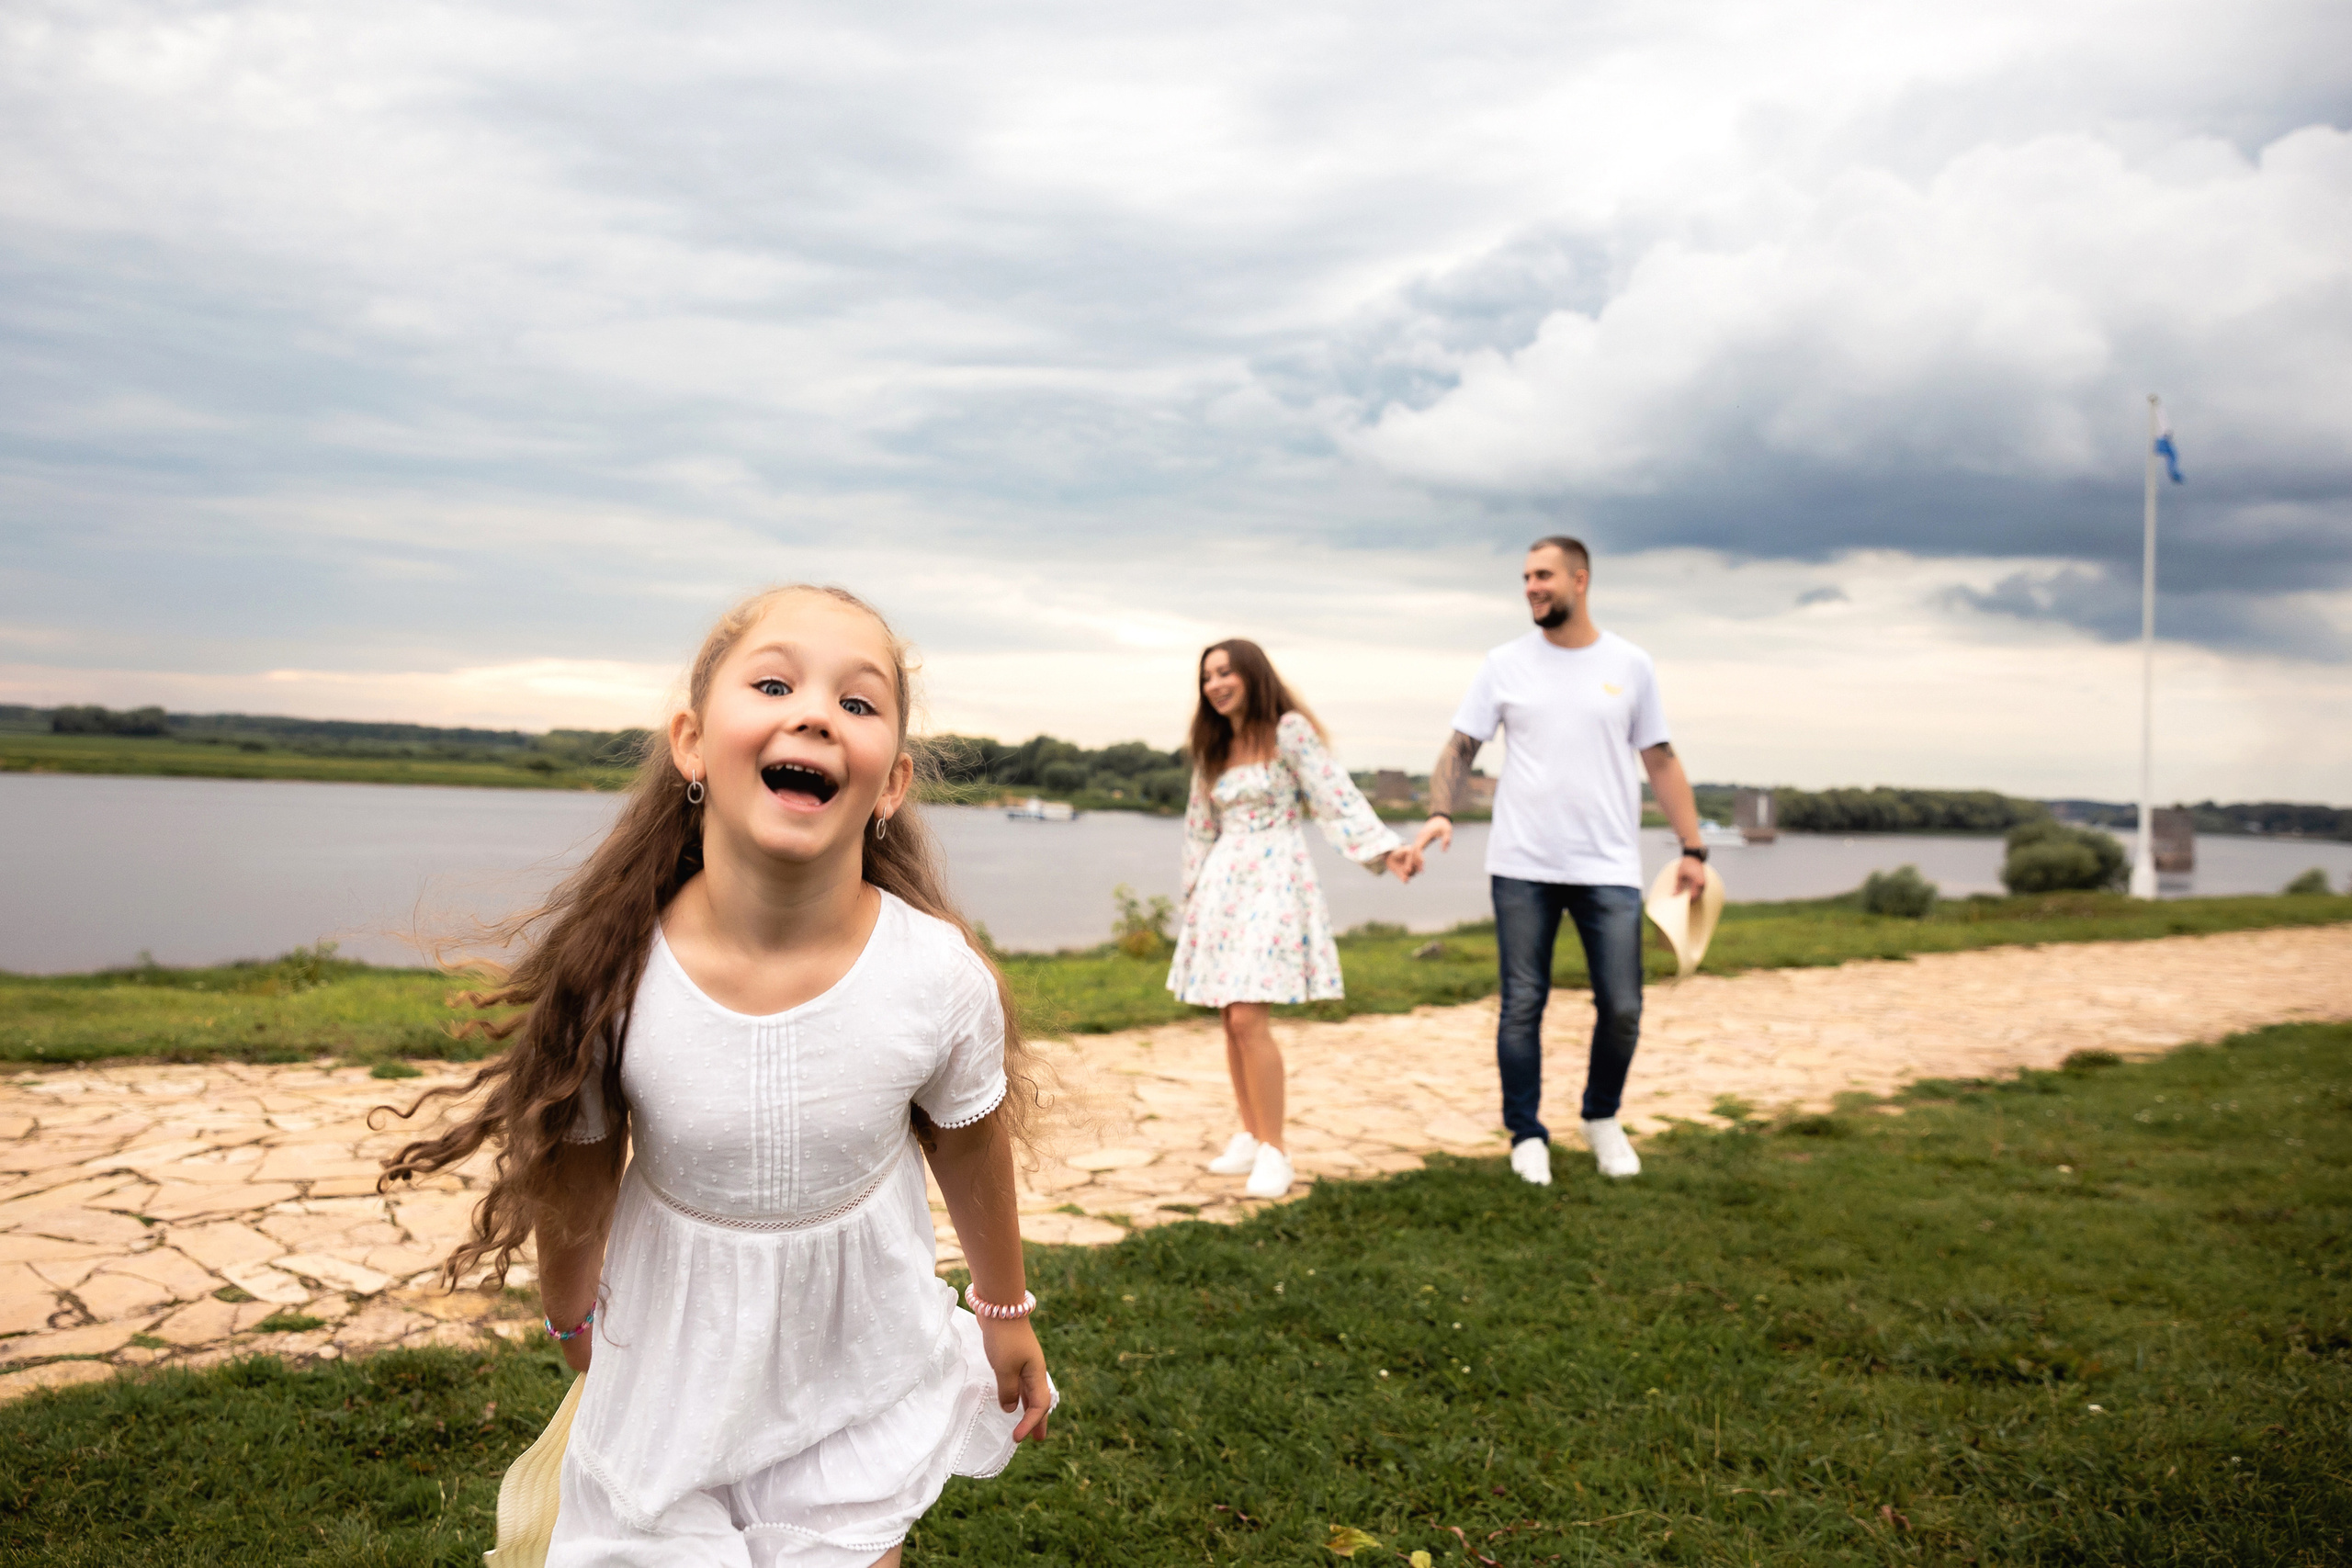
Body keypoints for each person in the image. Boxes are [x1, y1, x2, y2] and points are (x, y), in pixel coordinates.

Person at [380, 585, 1051, 1567]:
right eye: (775, 683)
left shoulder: (937, 974)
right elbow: (579, 1165)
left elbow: (968, 1138)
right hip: (671, 1362)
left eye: (857, 704)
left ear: (893, 782)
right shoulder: (616, 972)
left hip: (857, 1347)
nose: (816, 712)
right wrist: (569, 1313)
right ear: (693, 744)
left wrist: (1002, 1311)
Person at [1410, 537, 1705, 1185]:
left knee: (1623, 1005)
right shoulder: (1503, 663)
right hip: (1522, 863)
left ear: (1581, 578)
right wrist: (1440, 811)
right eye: (1524, 577)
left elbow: (1660, 757)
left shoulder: (1630, 663)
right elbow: (1461, 746)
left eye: (1543, 575)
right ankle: (1527, 1133)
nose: (1531, 587)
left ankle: (1601, 1117)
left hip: (1608, 867)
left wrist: (1693, 848)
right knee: (1522, 1004)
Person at [1167, 638, 1423, 1201]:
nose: (1215, 684)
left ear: (1253, 675)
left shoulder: (1288, 732)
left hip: (1274, 876)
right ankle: (1251, 1133)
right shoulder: (1213, 746)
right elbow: (1198, 825)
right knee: (1228, 1015)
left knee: (1247, 1017)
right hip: (1223, 882)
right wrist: (1193, 898)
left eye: (1226, 672)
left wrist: (1386, 850)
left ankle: (1276, 1150)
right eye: (1208, 676)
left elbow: (1337, 798)